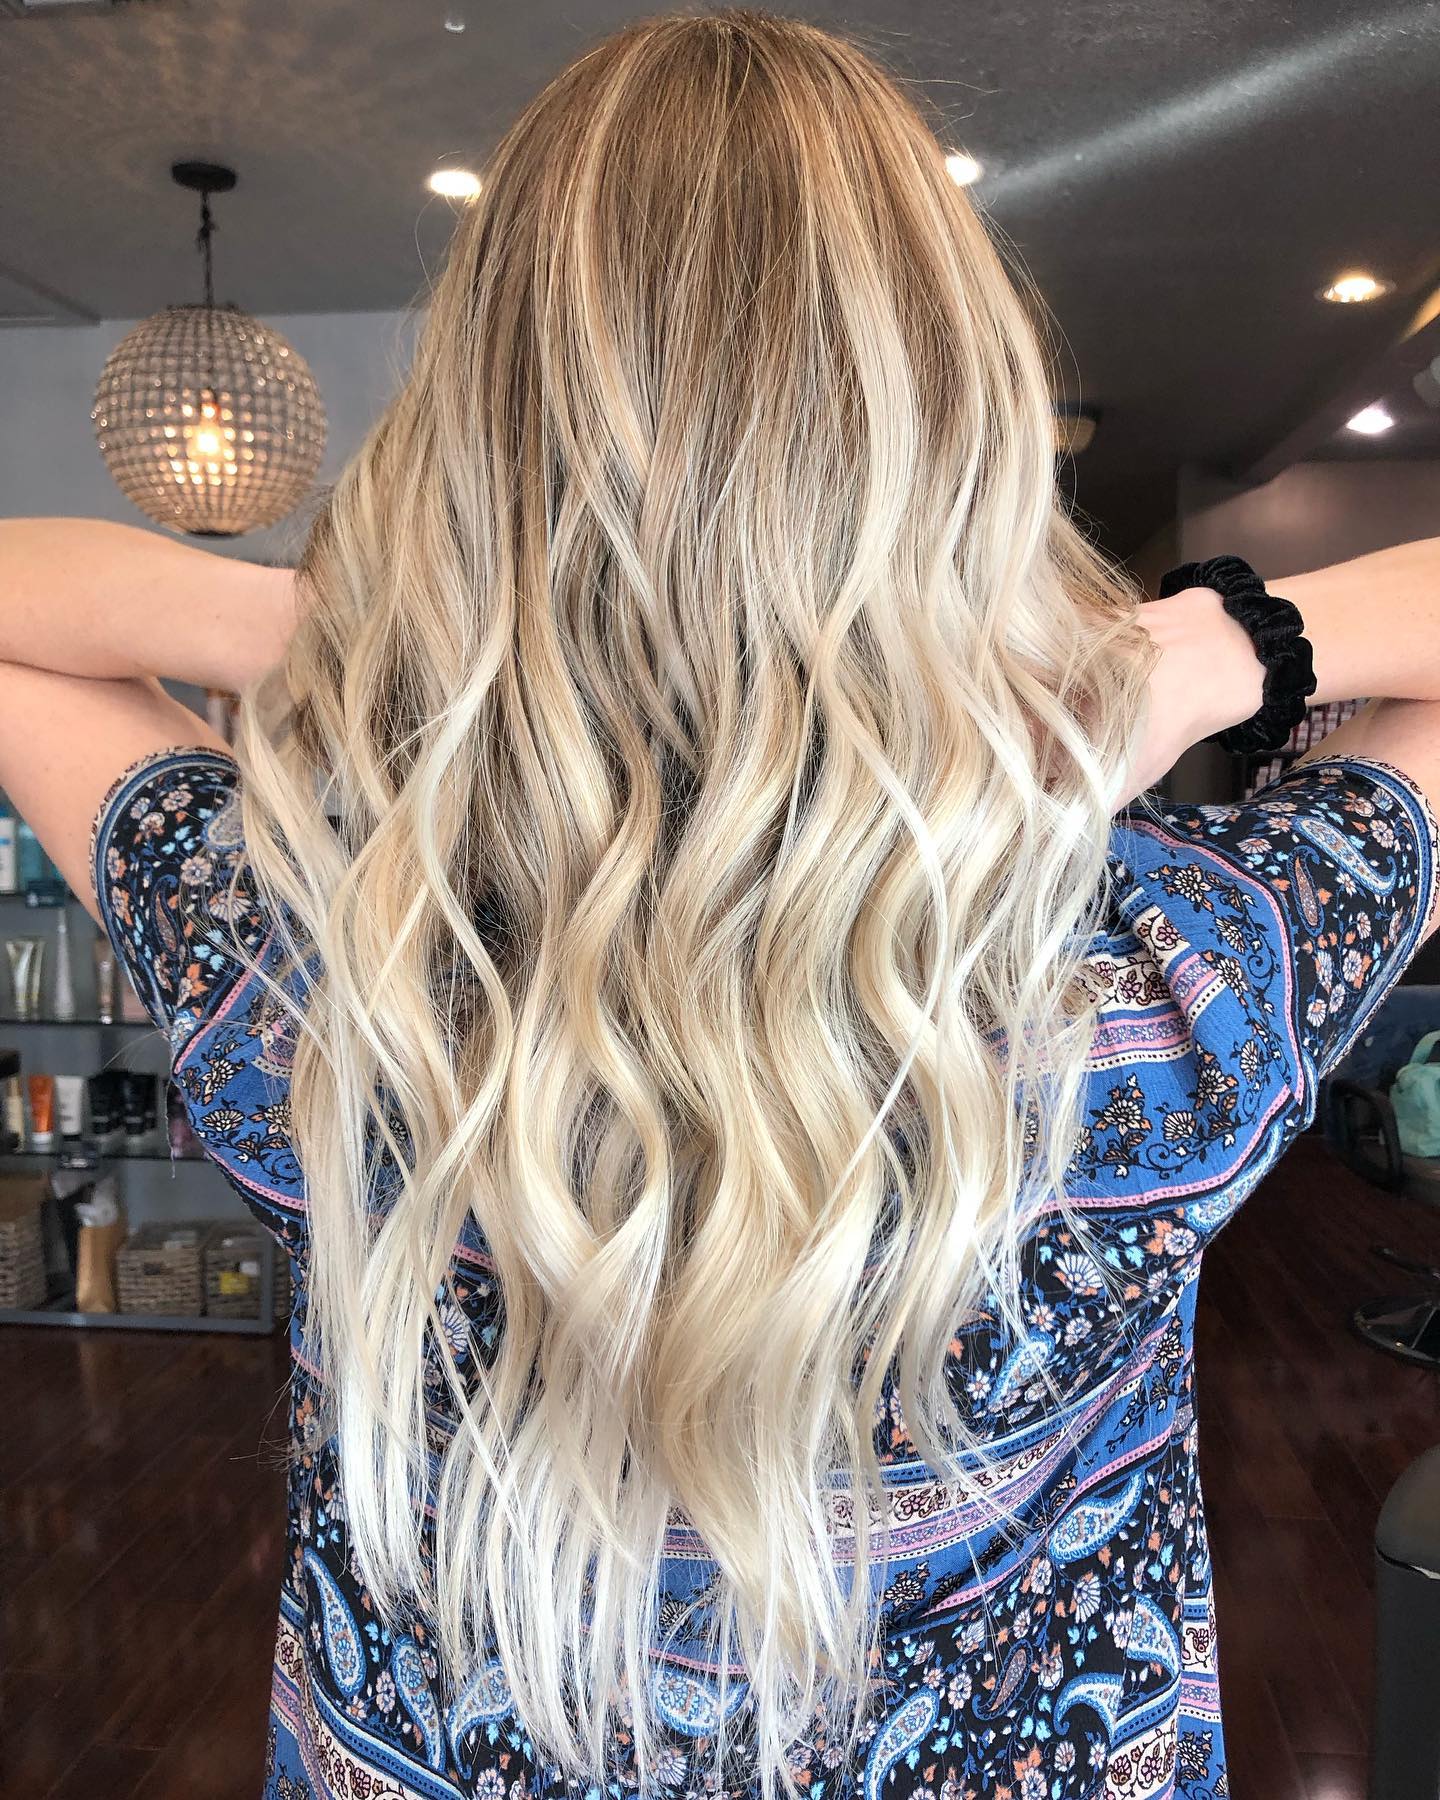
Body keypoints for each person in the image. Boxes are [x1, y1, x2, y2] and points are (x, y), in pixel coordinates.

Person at [1, 11, 1437, 1800]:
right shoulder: (1173, 984)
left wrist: (400, 633)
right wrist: (1201, 651)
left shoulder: (309, 953)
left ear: (481, 436)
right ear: (958, 428)